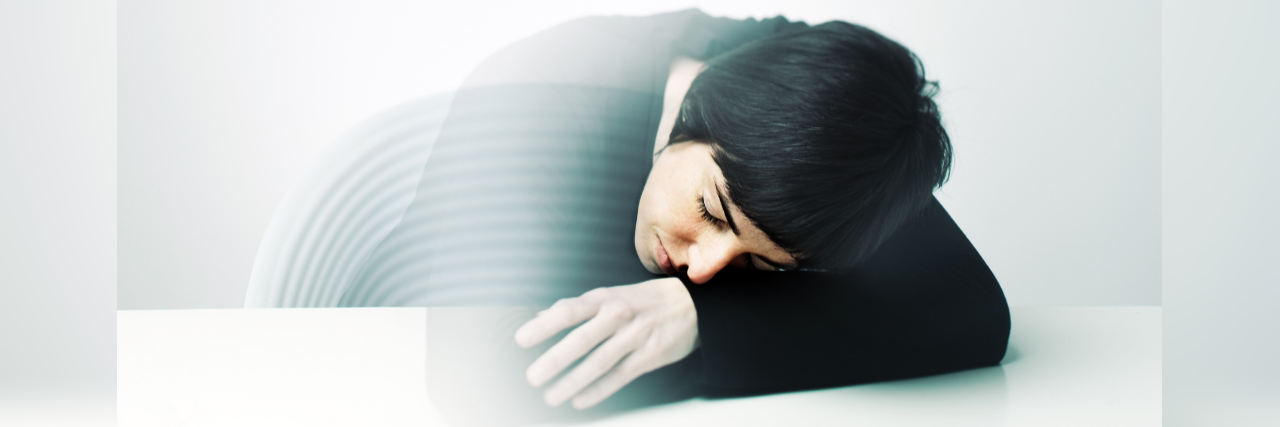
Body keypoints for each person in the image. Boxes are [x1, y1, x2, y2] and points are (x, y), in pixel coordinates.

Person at [247, 8, 1009, 425]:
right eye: (711, 208)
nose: (707, 269)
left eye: (766, 264)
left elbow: (970, 307)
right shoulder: (547, 90)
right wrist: (771, 326)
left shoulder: (808, 94)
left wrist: (696, 319)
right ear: (698, 103)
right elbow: (483, 379)